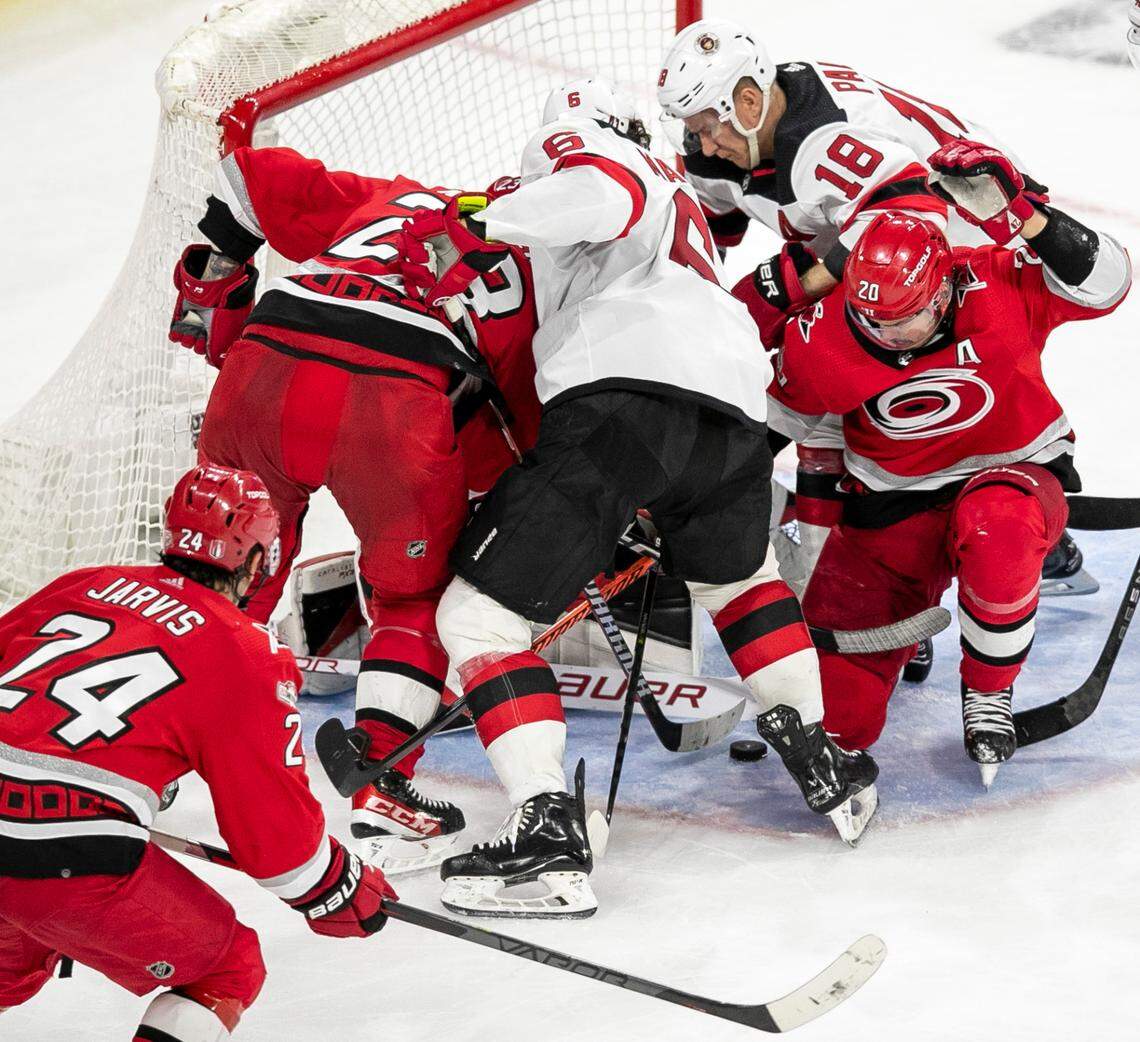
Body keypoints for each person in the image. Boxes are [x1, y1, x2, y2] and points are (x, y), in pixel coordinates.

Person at [398, 78, 880, 919]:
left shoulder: (588, 152)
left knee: (477, 620)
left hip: (626, 394)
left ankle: (544, 832)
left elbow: (598, 189)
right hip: (734, 412)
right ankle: (823, 758)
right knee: (742, 581)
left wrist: (482, 219)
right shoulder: (679, 190)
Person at [656, 15, 1098, 642]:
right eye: (691, 129)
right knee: (839, 388)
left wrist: (779, 284)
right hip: (888, 231)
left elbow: (913, 221)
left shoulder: (826, 146)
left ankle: (996, 551)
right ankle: (925, 566)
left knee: (868, 386)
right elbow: (709, 229)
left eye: (705, 128)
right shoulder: (737, 135)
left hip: (969, 231)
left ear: (748, 104)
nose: (699, 144)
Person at [169, 148, 541, 872]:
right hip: (389, 403)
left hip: (262, 367)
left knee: (225, 573)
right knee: (416, 593)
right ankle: (383, 787)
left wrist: (217, 292)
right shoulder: (548, 257)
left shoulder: (398, 194)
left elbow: (248, 173)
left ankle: (157, 742)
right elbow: (522, 422)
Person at [770, 141, 1131, 786]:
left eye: (905, 320)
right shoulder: (822, 339)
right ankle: (847, 735)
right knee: (832, 710)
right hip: (887, 507)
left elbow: (1111, 283)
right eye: (871, 320)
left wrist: (1026, 211)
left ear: (945, 287)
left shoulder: (994, 280)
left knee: (998, 528)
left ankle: (989, 689)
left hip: (1012, 476)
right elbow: (771, 425)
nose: (890, 337)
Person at [0, 464, 394, 1041]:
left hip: (32, 840)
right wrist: (333, 884)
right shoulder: (245, 650)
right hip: (58, 853)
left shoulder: (82, 583)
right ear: (258, 562)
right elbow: (274, 836)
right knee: (228, 966)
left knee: (10, 964)